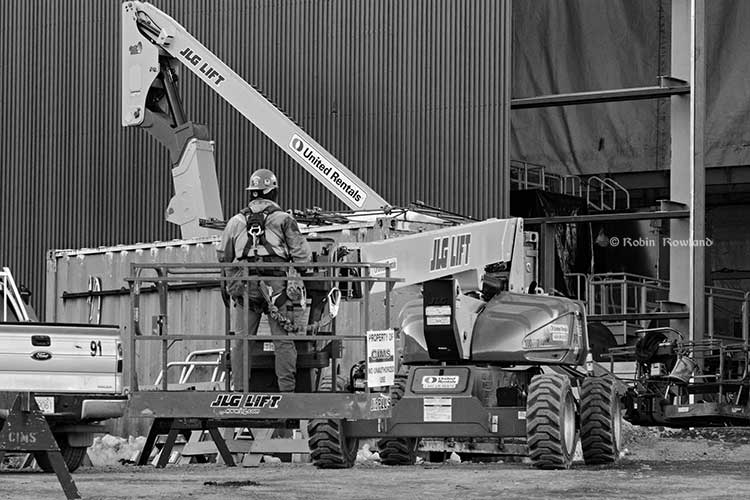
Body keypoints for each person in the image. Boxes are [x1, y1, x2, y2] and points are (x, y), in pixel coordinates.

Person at [217, 168, 311, 392]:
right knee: (283, 341)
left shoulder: (235, 222)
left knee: (242, 341)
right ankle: (287, 392)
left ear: (252, 193)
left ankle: (239, 391)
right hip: (276, 288)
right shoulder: (284, 220)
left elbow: (223, 257)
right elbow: (303, 258)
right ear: (273, 192)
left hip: (245, 287)